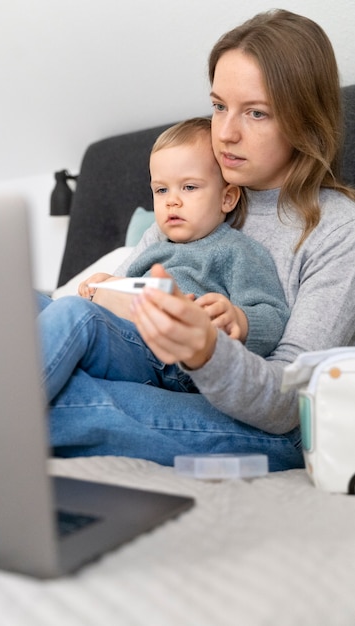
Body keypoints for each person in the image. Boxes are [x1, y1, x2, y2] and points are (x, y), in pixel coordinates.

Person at [45, 9, 355, 472]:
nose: (225, 133)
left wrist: (207, 350)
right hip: (154, 373)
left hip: (269, 426)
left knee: (68, 396)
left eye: (256, 113)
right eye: (218, 106)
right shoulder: (196, 188)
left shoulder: (338, 229)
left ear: (305, 121)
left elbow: (293, 401)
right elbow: (133, 288)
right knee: (21, 309)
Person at [38, 117, 289, 402]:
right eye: (161, 190)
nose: (172, 201)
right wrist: (105, 286)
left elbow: (274, 314)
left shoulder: (237, 250)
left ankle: (10, 406)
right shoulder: (156, 245)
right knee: (27, 302)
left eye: (189, 187)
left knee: (75, 313)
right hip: (129, 337)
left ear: (227, 198)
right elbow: (127, 289)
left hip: (173, 362)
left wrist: (240, 320)